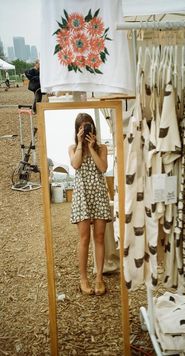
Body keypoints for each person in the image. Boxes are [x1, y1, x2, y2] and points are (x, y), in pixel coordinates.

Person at [68, 113, 112, 296]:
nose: (86, 130)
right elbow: (76, 165)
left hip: (99, 195)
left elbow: (102, 168)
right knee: (84, 238)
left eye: (89, 127)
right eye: (82, 127)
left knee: (100, 237)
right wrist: (80, 144)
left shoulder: (102, 148)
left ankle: (99, 278)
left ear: (94, 128)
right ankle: (83, 278)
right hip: (82, 196)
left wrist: (92, 147)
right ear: (77, 130)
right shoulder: (73, 147)